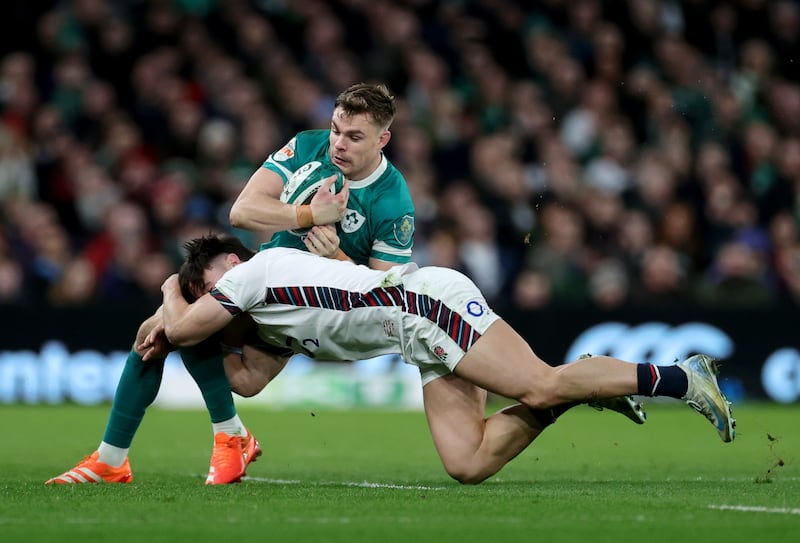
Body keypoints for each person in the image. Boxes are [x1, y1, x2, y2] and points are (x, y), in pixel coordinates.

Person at [45, 83, 417, 485]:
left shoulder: (394, 201)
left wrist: (338, 259)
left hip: (317, 307)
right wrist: (308, 214)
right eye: (335, 130)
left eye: (354, 137)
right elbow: (242, 210)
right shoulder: (309, 146)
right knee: (162, 331)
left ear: (383, 139)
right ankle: (114, 458)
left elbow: (385, 293)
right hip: (268, 275)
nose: (338, 144)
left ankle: (228, 432)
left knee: (233, 369)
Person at [158, 235, 735, 484]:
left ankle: (684, 377)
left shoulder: (257, 272)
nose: (213, 296)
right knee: (468, 462)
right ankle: (579, 387)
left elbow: (182, 327)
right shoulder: (266, 320)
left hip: (427, 305)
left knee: (536, 385)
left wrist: (167, 296)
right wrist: (198, 334)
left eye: (211, 285)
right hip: (417, 337)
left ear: (233, 261)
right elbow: (248, 382)